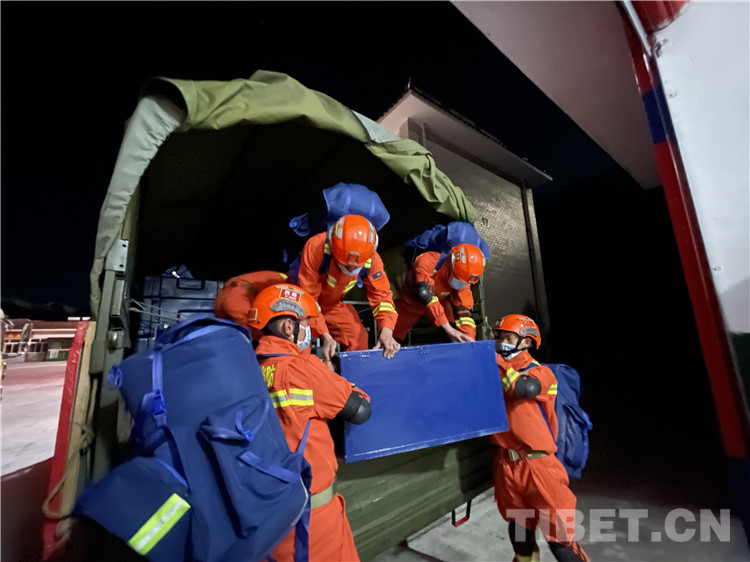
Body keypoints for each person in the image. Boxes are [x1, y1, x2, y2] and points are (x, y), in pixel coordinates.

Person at [248, 283, 371, 562]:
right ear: (288, 327)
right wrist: (336, 378)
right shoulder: (303, 368)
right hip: (313, 523)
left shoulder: (250, 369)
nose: (310, 332)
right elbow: (361, 410)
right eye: (306, 324)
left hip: (269, 519)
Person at [490, 314, 589, 562]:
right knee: (519, 532)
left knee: (560, 541)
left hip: (539, 466)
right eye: (498, 336)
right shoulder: (496, 373)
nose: (501, 342)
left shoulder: (541, 373)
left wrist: (493, 360)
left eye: (508, 337)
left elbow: (523, 388)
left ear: (526, 342)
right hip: (508, 465)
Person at [296, 214, 400, 362]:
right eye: (344, 264)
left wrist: (386, 330)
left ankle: (354, 375)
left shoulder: (371, 259)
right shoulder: (316, 247)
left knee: (358, 337)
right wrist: (325, 335)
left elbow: (382, 297)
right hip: (301, 304)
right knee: (300, 340)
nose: (350, 268)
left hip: (332, 305)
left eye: (356, 266)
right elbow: (308, 299)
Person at [393, 243, 485, 344]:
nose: (460, 284)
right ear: (450, 263)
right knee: (395, 333)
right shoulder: (427, 261)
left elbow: (464, 310)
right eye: (456, 279)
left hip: (440, 300)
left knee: (449, 333)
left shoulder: (463, 277)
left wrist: (469, 339)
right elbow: (425, 293)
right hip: (412, 300)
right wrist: (448, 328)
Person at [213, 270, 289, 342]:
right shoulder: (281, 279)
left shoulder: (279, 277)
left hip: (230, 292)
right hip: (236, 297)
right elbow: (259, 335)